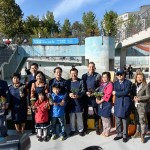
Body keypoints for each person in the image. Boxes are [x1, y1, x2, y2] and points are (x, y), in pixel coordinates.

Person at [112, 69, 132, 143]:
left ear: (124, 75)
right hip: (118, 103)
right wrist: (122, 92)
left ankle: (124, 135)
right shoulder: (115, 83)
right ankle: (119, 134)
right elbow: (122, 92)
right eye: (118, 74)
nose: (120, 76)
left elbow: (126, 92)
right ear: (116, 76)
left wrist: (117, 93)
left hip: (125, 103)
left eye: (121, 74)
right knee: (118, 121)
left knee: (125, 121)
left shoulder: (128, 82)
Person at [82, 62, 101, 135]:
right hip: (86, 97)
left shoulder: (98, 75)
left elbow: (100, 86)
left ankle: (97, 128)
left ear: (94, 67)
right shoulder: (84, 76)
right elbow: (82, 86)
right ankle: (85, 128)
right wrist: (86, 92)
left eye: (93, 67)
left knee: (96, 113)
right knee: (85, 113)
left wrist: (94, 92)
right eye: (90, 67)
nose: (91, 68)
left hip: (94, 97)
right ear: (88, 67)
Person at [132, 72, 150, 143]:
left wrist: (139, 98)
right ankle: (138, 132)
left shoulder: (146, 86)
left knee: (142, 121)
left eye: (141, 77)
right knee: (137, 120)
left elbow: (148, 96)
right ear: (136, 78)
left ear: (143, 78)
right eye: (138, 77)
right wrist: (133, 97)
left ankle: (142, 136)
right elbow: (133, 94)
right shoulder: (134, 85)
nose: (139, 78)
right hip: (135, 105)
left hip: (142, 106)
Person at [67, 68, 85, 136]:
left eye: (75, 73)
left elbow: (83, 91)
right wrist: (69, 94)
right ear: (70, 74)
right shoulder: (68, 81)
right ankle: (72, 129)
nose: (73, 75)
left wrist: (78, 95)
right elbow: (66, 91)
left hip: (79, 102)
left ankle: (81, 130)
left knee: (79, 117)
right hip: (71, 102)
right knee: (72, 117)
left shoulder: (81, 81)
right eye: (72, 73)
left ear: (77, 74)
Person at [96, 72, 113, 137]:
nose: (104, 78)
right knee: (102, 117)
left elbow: (107, 95)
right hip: (101, 103)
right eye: (103, 77)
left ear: (108, 77)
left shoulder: (110, 84)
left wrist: (100, 101)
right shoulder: (102, 84)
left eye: (106, 77)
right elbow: (99, 92)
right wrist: (97, 99)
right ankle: (104, 129)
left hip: (106, 103)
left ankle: (108, 130)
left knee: (106, 117)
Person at [0, 71, 10, 137]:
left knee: (2, 121)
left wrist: (7, 102)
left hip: (2, 105)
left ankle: (4, 134)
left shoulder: (4, 83)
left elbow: (7, 94)